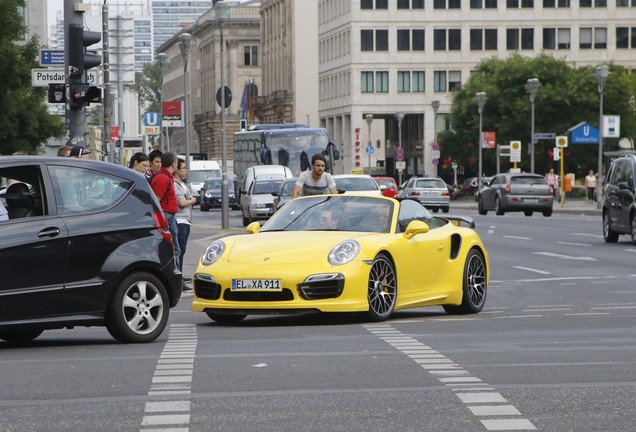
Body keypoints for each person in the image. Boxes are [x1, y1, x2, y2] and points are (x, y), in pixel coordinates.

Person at [150, 152, 181, 271]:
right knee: (174, 249)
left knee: (174, 248)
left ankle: (176, 274)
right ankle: (175, 275)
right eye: (177, 162)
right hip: (167, 216)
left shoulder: (165, 176)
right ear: (173, 164)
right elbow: (155, 202)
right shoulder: (163, 178)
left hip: (168, 216)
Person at [173, 158, 197, 290]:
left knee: (182, 250)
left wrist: (189, 200)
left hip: (185, 221)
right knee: (179, 250)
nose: (186, 171)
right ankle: (178, 280)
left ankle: (180, 277)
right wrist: (192, 201)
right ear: (177, 170)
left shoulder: (183, 184)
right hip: (180, 220)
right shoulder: (175, 184)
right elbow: (182, 203)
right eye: (184, 168)